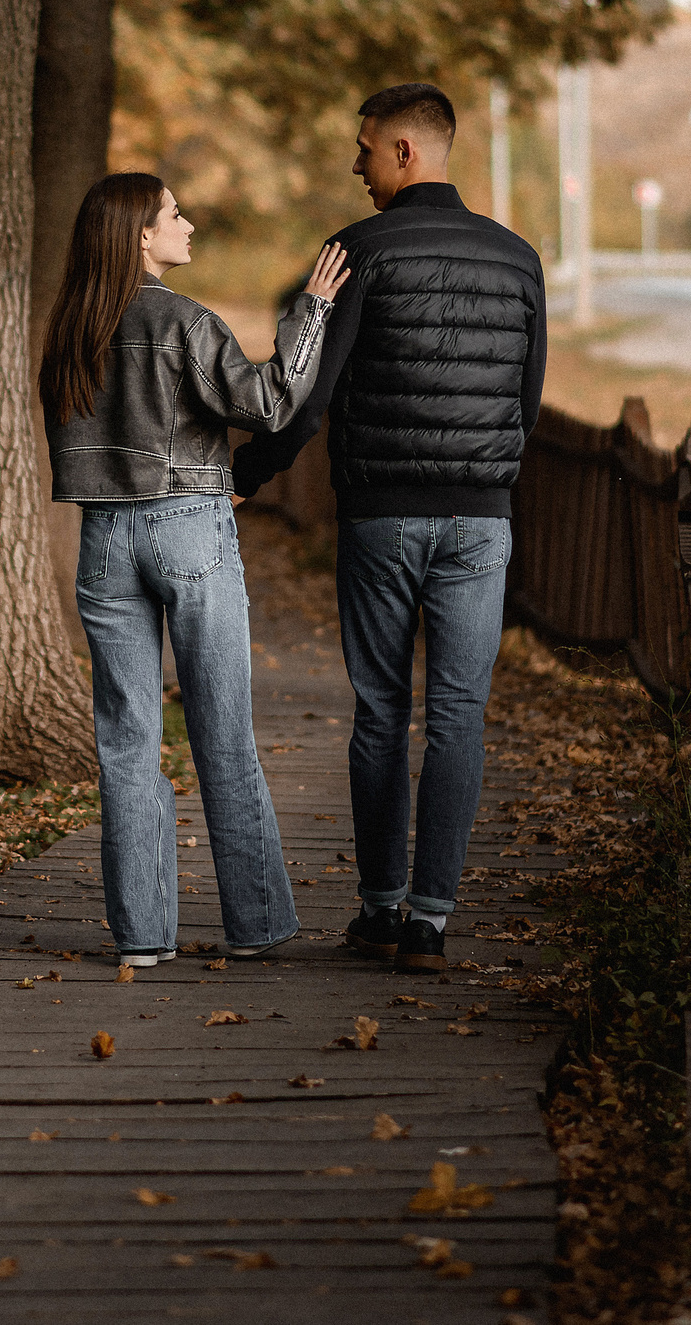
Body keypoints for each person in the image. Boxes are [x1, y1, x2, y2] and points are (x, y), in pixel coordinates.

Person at [233, 84, 547, 976]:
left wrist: (246, 475)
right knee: (458, 715)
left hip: (380, 516)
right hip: (482, 519)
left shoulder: (356, 251)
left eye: (366, 148)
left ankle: (377, 908)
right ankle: (432, 920)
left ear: (406, 152)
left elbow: (307, 397)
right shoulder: (517, 258)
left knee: (382, 710)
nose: (357, 166)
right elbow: (525, 406)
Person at [41, 172, 350, 969]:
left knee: (127, 738)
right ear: (141, 235)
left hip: (105, 537)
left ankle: (143, 936)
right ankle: (254, 925)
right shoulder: (182, 322)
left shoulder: (73, 327)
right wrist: (310, 314)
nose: (189, 222)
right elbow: (273, 401)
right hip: (188, 529)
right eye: (174, 214)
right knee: (223, 732)